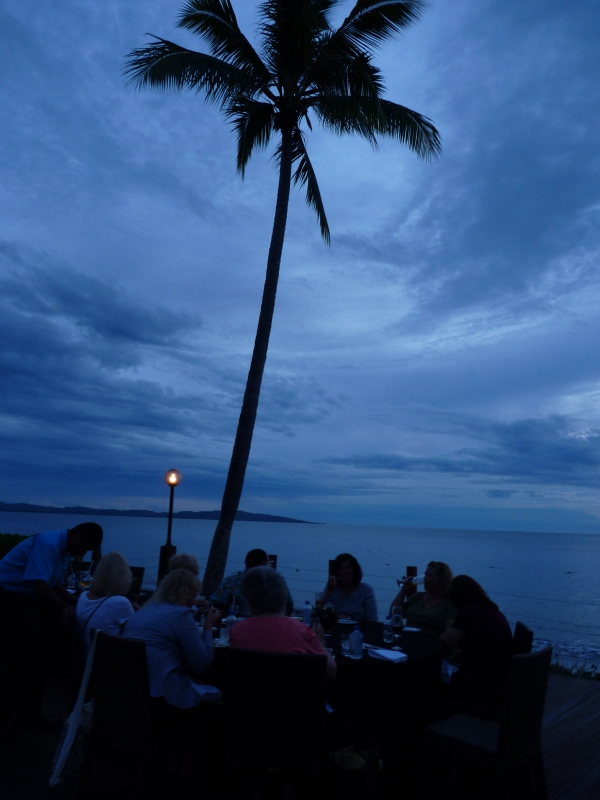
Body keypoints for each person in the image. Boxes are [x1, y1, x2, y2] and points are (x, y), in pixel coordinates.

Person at [0, 522, 103, 730]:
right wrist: (64, 609)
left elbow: (54, 584)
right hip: (7, 596)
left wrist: (78, 601)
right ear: (78, 537)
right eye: (85, 548)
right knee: (16, 658)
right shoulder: (48, 544)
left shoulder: (63, 551)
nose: (82, 553)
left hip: (23, 598)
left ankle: (28, 715)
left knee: (34, 656)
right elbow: (40, 586)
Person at [122, 569, 220, 711]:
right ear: (183, 593)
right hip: (160, 697)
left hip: (130, 691)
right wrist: (208, 626)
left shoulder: (145, 609)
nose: (194, 602)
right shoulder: (180, 614)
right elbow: (201, 665)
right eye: (193, 596)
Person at [230, 566, 336, 679]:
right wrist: (319, 641)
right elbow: (331, 672)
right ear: (283, 595)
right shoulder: (302, 632)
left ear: (247, 598)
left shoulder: (237, 630)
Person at [440, 575, 513, 705]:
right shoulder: (492, 611)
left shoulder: (469, 612)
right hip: (500, 679)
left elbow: (446, 642)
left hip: (480, 682)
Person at [75, 552, 136, 662]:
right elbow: (137, 635)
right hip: (107, 667)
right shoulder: (121, 603)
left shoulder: (83, 596)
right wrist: (139, 615)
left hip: (84, 663)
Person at [210, 548, 293, 616]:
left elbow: (288, 604)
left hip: (268, 623)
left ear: (265, 565)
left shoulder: (275, 580)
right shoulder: (232, 581)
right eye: (251, 566)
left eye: (259, 566)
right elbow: (215, 604)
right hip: (237, 623)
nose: (255, 571)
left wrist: (280, 620)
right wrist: (230, 616)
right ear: (245, 563)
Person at [390, 561, 455, 635]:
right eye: (425, 574)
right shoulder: (418, 597)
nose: (425, 578)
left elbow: (449, 633)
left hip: (431, 640)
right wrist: (403, 591)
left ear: (441, 580)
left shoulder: (449, 603)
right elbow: (393, 614)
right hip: (408, 638)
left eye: (429, 576)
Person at [323, 553, 377, 622]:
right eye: (340, 568)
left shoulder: (366, 590)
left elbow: (372, 619)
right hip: (335, 627)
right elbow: (322, 615)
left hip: (359, 628)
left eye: (347, 567)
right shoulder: (331, 588)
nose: (344, 571)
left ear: (354, 570)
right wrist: (329, 592)